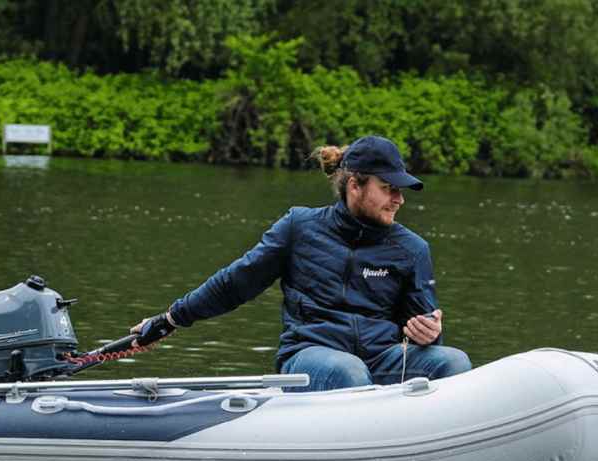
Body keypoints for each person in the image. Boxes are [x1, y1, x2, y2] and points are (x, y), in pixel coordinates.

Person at [132, 135, 471, 391]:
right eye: (388, 188)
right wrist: (172, 318)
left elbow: (421, 327)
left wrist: (430, 333)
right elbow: (236, 282)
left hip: (381, 358)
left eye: (401, 190)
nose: (399, 199)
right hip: (311, 355)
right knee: (348, 371)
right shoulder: (300, 227)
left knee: (454, 361)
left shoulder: (412, 248)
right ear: (355, 185)